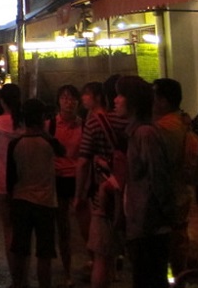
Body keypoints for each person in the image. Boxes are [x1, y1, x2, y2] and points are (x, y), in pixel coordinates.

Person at [114, 76, 175, 288]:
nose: (116, 100)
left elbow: (158, 178)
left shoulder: (145, 134)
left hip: (149, 226)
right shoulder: (137, 132)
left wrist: (165, 216)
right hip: (140, 223)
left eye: (121, 95)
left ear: (133, 100)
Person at [74, 80, 128, 288]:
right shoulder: (123, 121)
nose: (82, 99)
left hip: (103, 191)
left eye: (86, 95)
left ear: (97, 97)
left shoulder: (94, 122)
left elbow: (83, 160)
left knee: (101, 254)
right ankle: (115, 270)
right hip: (125, 188)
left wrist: (78, 194)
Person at [7, 98, 65, 288]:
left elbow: (10, 178)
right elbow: (63, 152)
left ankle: (18, 283)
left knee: (20, 249)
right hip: (46, 202)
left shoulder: (15, 144)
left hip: (21, 199)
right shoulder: (49, 142)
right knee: (44, 253)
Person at [152, 78, 192, 278]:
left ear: (164, 101)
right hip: (182, 191)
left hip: (169, 194)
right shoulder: (182, 122)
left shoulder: (163, 129)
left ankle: (177, 278)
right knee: (179, 239)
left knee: (170, 244)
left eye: (155, 96)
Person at [47, 84, 83, 287]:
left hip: (79, 178)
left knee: (87, 225)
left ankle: (98, 264)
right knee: (63, 228)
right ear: (58, 101)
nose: (68, 102)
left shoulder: (84, 125)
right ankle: (67, 270)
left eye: (72, 98)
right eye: (64, 98)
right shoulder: (50, 125)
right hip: (59, 178)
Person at [0, 83, 24, 278]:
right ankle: (24, 273)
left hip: (2, 180)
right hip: (26, 181)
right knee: (24, 229)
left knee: (8, 228)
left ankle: (15, 276)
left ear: (1, 101)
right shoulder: (27, 123)